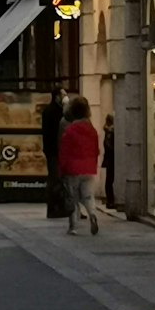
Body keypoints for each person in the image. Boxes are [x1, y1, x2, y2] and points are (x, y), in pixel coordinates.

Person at [58, 96, 99, 236]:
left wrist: (61, 170)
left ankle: (73, 227)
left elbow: (64, 152)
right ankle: (92, 214)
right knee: (88, 196)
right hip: (89, 167)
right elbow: (96, 150)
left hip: (73, 169)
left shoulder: (69, 131)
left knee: (73, 198)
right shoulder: (92, 130)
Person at [41, 88, 66, 219]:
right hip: (55, 151)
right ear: (57, 97)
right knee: (55, 179)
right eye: (63, 94)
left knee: (54, 178)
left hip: (51, 150)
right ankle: (55, 208)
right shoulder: (56, 112)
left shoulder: (48, 111)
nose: (65, 97)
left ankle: (55, 207)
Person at [103, 114, 116, 209]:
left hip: (109, 158)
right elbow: (109, 146)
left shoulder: (108, 131)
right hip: (111, 158)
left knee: (109, 180)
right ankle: (110, 200)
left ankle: (110, 199)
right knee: (110, 180)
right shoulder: (111, 132)